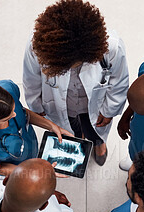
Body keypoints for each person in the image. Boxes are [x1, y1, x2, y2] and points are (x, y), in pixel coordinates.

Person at [23, 0, 129, 166]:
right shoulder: (38, 45)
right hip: (60, 103)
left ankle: (99, 144)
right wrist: (36, 105)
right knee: (71, 129)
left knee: (94, 129)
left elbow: (119, 82)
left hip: (94, 104)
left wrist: (110, 110)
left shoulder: (111, 46)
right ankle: (79, 142)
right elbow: (31, 78)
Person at [0, 79, 72, 177]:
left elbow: (23, 112)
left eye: (13, 110)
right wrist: (31, 173)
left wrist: (51, 126)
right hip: (12, 172)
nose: (15, 115)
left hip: (27, 150)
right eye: (6, 119)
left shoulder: (7, 88)